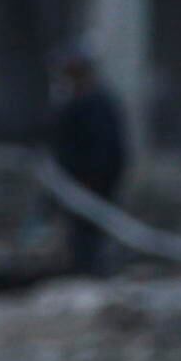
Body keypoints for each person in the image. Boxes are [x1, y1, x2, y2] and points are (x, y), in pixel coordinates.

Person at [45, 48, 131, 276]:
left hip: (92, 182)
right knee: (81, 234)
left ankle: (91, 272)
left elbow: (105, 148)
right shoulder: (77, 102)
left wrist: (92, 178)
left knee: (91, 234)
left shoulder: (96, 104)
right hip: (79, 181)